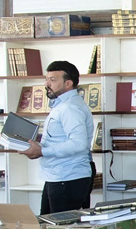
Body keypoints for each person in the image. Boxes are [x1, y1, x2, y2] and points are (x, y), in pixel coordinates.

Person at [20, 60, 95, 214]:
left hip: (67, 178)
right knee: (47, 223)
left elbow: (78, 143)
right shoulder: (61, 105)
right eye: (46, 79)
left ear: (68, 83)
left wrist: (41, 151)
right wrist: (37, 147)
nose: (47, 84)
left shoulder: (70, 107)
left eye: (52, 80)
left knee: (61, 227)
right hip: (58, 176)